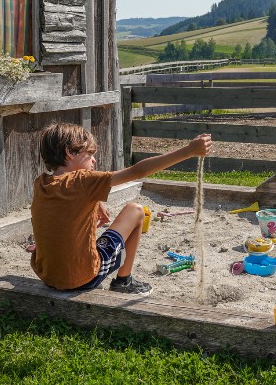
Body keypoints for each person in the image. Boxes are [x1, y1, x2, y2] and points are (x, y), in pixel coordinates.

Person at [30, 122, 212, 294]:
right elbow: (137, 171)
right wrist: (188, 151)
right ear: (69, 152)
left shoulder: (42, 183)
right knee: (136, 211)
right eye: (90, 154)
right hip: (81, 278)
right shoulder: (83, 180)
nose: (94, 161)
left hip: (48, 276)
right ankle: (124, 281)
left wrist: (98, 201)